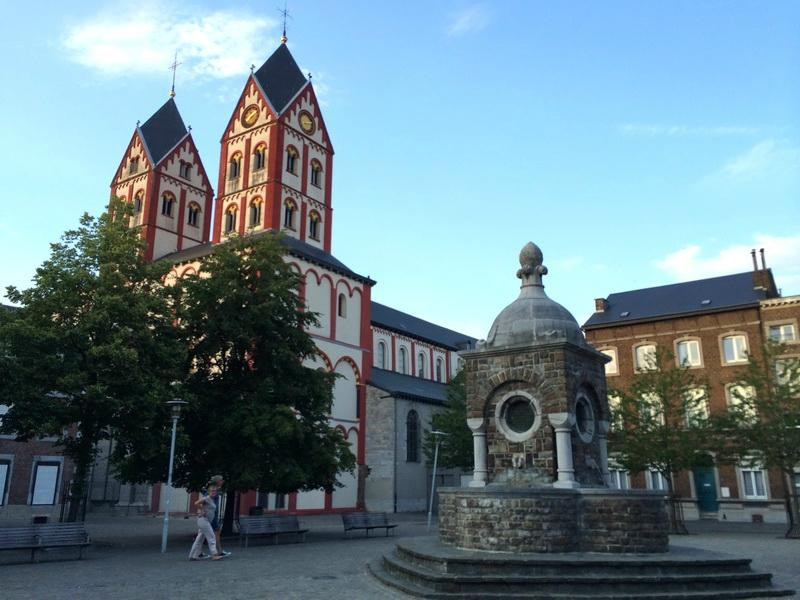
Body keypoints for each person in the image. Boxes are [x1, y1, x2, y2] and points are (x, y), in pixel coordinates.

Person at [189, 485, 222, 561]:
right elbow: (196, 503)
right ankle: (214, 554)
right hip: (204, 520)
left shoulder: (212, 499)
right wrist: (202, 510)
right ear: (208, 492)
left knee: (199, 539)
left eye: (215, 491)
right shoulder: (206, 498)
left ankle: (193, 555)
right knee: (212, 536)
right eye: (212, 491)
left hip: (206, 521)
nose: (214, 492)